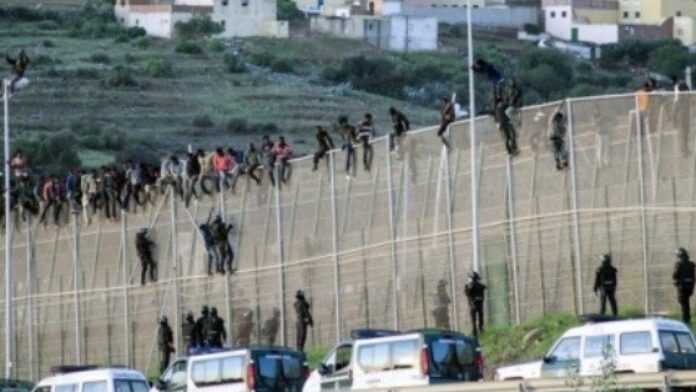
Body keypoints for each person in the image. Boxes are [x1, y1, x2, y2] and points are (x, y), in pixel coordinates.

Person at [673, 248, 696, 324]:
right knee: (686, 303)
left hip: (682, 287)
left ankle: (685, 319)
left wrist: (676, 280)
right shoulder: (691, 264)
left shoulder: (679, 264)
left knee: (683, 303)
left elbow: (675, 275)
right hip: (689, 287)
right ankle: (687, 318)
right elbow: (693, 277)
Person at [672, 78, 691, 157]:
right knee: (682, 135)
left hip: (686, 118)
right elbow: (675, 110)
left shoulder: (687, 97)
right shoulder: (679, 98)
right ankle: (683, 151)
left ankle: (685, 149)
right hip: (681, 119)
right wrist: (674, 120)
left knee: (685, 135)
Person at [464, 272, 486, 338]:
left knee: (474, 318)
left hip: (473, 304)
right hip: (478, 304)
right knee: (480, 317)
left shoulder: (470, 285)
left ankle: (475, 331)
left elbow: (467, 293)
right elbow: (484, 287)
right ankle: (480, 329)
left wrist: (469, 286)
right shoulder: (480, 285)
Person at [549, 105, 569, 171]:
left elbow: (565, 118)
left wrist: (562, 111)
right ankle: (559, 164)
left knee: (563, 152)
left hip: (559, 139)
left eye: (559, 118)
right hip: (554, 139)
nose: (558, 119)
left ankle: (564, 163)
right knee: (556, 153)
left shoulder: (561, 124)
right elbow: (553, 116)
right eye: (558, 117)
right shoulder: (552, 123)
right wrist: (557, 110)